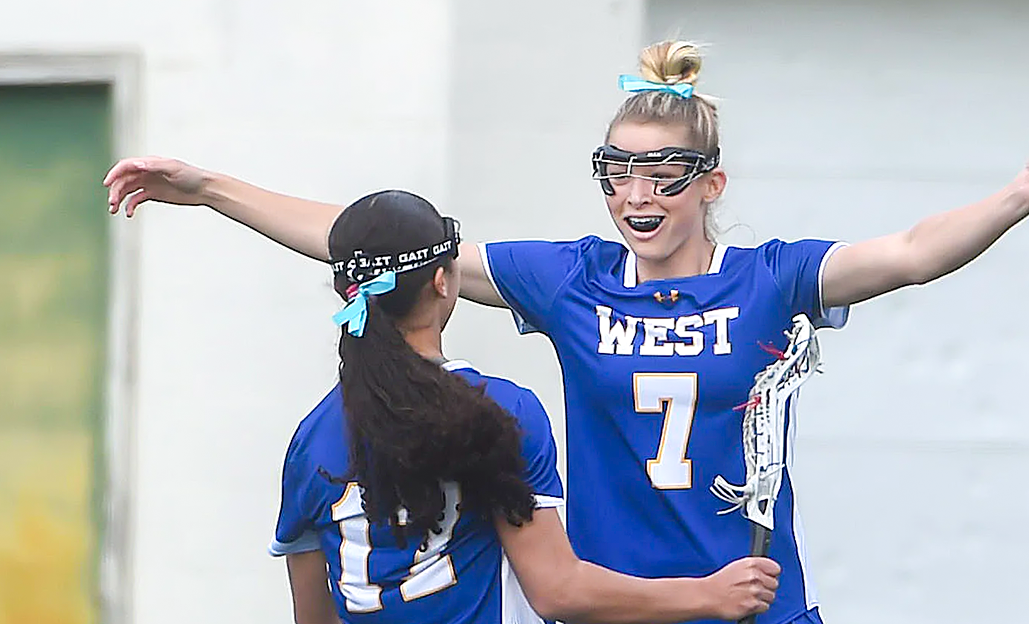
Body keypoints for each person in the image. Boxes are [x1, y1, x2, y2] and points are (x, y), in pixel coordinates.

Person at [104, 40, 1029, 624]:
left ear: (709, 182)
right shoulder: (567, 279)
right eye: (616, 170)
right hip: (617, 609)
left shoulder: (768, 278)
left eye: (661, 171)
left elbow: (912, 251)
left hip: (752, 605)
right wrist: (208, 189)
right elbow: (382, 250)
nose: (635, 191)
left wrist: (1018, 192)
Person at [264, 189, 780, 624]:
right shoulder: (497, 412)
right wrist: (708, 594)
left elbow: (312, 615)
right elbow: (558, 590)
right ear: (445, 282)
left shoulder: (311, 440)